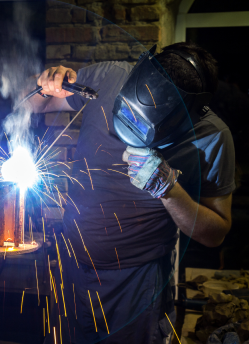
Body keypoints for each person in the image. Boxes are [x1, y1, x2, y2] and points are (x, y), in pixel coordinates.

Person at [30, 42, 235, 344]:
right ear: (141, 69)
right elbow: (35, 104)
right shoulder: (111, 75)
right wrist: (46, 84)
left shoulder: (212, 136)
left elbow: (216, 233)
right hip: (70, 268)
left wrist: (169, 190)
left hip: (134, 285)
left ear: (189, 113)